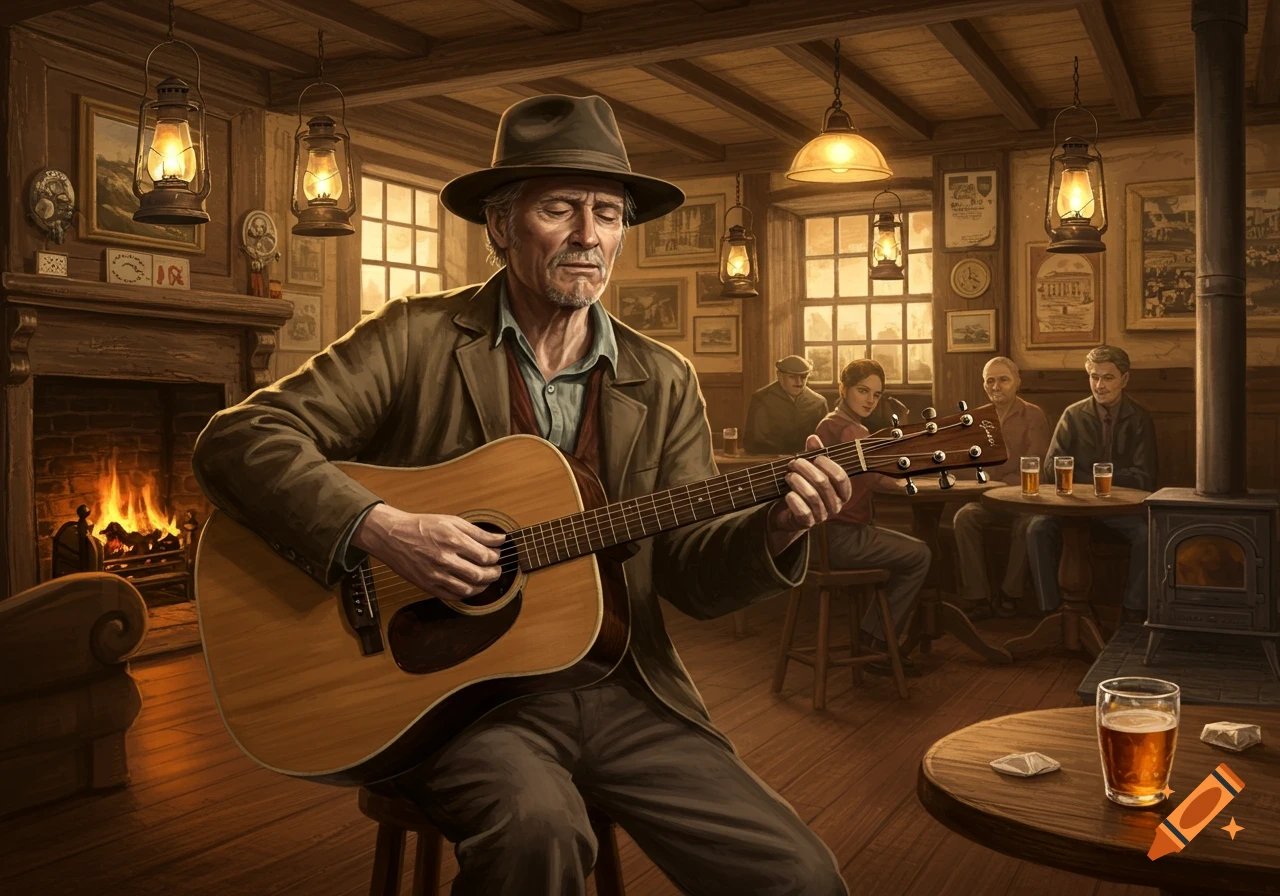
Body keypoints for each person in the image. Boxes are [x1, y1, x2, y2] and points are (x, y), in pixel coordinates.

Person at [191, 95, 850, 896]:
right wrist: (381, 528)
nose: (587, 234)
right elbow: (237, 441)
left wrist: (777, 524)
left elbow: (688, 576)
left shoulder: (664, 378)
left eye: (607, 213)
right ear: (501, 226)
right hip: (454, 703)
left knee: (800, 874)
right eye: (559, 207)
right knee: (537, 836)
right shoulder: (415, 337)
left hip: (621, 689)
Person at [815, 358, 931, 678]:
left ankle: (872, 637)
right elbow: (875, 479)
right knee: (921, 554)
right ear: (843, 389)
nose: (869, 399)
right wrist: (908, 483)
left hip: (821, 539)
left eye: (876, 394)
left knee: (907, 548)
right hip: (844, 538)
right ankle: (878, 643)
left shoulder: (828, 422)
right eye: (862, 390)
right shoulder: (852, 428)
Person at [1026, 344, 1158, 625]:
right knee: (1037, 528)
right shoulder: (1072, 415)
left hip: (1118, 511)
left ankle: (1132, 614)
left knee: (1147, 537)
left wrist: (1092, 478)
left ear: (1124, 379)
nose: (1099, 385)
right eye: (1094, 377)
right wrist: (1099, 481)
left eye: (1108, 377)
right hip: (1074, 507)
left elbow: (1144, 478)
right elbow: (1051, 469)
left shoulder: (1140, 419)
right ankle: (1051, 611)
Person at [951, 357, 1051, 619]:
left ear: (1017, 382)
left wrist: (999, 483)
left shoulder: (1033, 414)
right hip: (988, 500)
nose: (996, 386)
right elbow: (969, 464)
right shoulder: (976, 418)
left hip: (1024, 500)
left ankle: (1010, 594)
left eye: (1003, 380)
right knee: (965, 517)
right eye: (990, 381)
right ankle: (978, 596)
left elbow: (1036, 462)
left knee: (1026, 523)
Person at [743, 355, 830, 455]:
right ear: (779, 375)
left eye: (803, 377)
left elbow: (825, 443)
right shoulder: (761, 399)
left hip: (809, 463)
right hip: (770, 462)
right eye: (792, 377)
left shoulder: (818, 403)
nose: (799, 382)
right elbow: (752, 443)